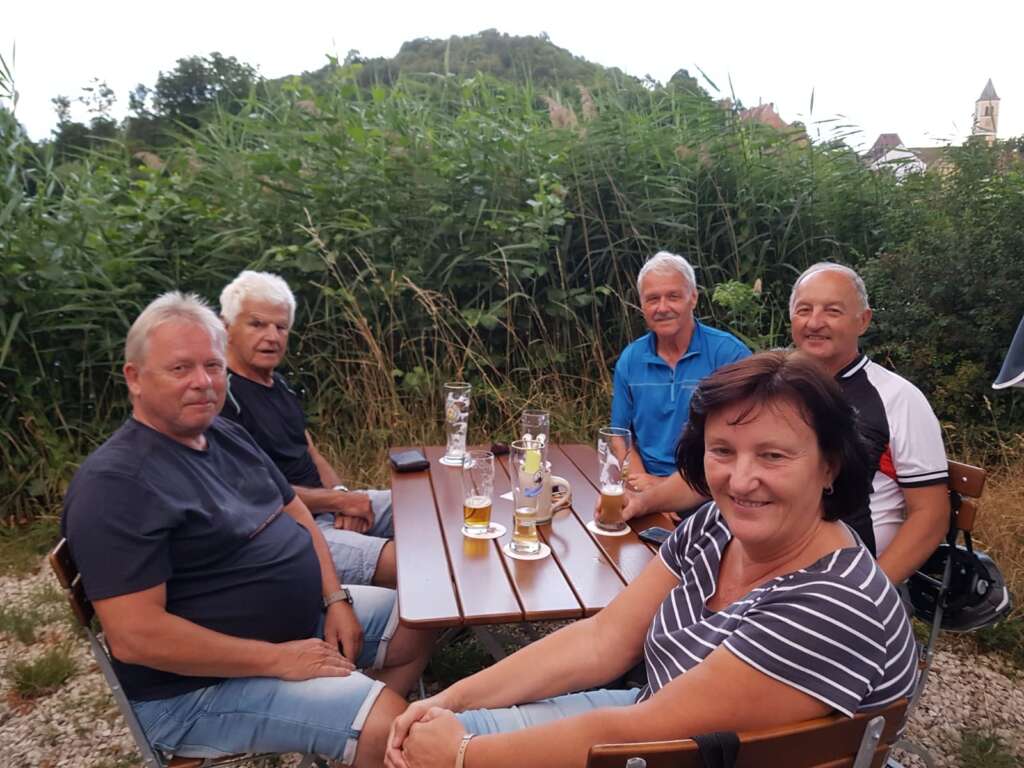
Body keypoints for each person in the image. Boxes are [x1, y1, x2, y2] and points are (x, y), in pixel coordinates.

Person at [386, 351, 918, 768]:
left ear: (829, 466)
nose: (740, 480)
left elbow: (645, 730)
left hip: (662, 745)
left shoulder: (833, 605)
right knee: (419, 734)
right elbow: (603, 639)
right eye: (723, 450)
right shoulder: (716, 526)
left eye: (773, 455)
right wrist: (453, 700)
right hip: (654, 732)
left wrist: (463, 756)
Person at [62, 292, 432, 766]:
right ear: (134, 377)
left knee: (423, 617)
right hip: (198, 689)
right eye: (180, 368)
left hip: (302, 624)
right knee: (399, 732)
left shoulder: (223, 434)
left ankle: (355, 733)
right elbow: (137, 637)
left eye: (213, 367)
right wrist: (279, 660)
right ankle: (370, 726)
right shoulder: (117, 485)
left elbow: (298, 515)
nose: (202, 382)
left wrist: (334, 598)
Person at [628, 264, 948, 584]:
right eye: (804, 310)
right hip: (752, 567)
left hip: (844, 579)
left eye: (832, 311)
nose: (815, 322)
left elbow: (930, 515)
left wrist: (871, 590)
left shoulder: (898, 399)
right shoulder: (768, 385)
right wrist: (642, 503)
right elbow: (720, 466)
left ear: (863, 320)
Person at [218, 270, 397, 588]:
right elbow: (250, 492)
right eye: (257, 324)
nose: (272, 337)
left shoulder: (279, 385)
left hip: (327, 508)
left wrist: (343, 497)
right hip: (289, 532)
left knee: (428, 508)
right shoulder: (221, 398)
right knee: (411, 562)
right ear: (226, 327)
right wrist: (338, 503)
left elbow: (310, 451)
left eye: (280, 327)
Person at [611, 251, 750, 494]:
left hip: (709, 490)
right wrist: (642, 486)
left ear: (693, 298)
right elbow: (620, 436)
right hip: (644, 487)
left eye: (673, 296)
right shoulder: (631, 360)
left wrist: (667, 489)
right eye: (652, 299)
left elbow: (746, 437)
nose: (662, 308)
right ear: (642, 305)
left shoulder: (729, 355)